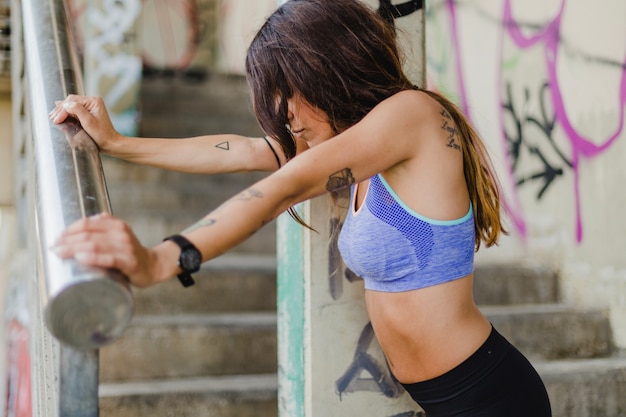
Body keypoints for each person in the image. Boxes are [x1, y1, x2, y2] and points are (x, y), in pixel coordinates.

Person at [49, 0, 552, 415]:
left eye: (290, 91)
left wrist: (163, 258)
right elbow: (242, 151)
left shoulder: (411, 116)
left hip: (489, 395)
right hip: (441, 399)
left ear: (329, 67)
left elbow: (280, 190)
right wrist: (116, 144)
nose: (285, 113)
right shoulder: (359, 146)